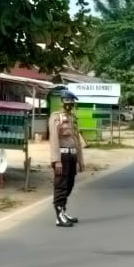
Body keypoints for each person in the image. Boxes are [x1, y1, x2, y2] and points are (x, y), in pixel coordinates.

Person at [48, 89, 86, 227]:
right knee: (61, 186)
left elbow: (77, 140)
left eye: (71, 101)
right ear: (61, 101)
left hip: (72, 155)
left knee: (69, 185)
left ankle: (63, 211)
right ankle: (59, 217)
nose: (69, 104)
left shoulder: (73, 118)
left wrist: (81, 161)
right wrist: (56, 160)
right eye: (67, 101)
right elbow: (53, 139)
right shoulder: (56, 117)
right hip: (62, 156)